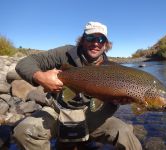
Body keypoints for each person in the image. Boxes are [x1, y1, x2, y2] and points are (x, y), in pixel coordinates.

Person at [13, 21, 142, 150]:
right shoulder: (65, 53)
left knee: (125, 134)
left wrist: (119, 100)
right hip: (58, 112)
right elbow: (24, 63)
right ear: (83, 39)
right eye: (91, 38)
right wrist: (40, 77)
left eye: (101, 39)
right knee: (24, 131)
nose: (96, 43)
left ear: (106, 44)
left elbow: (107, 104)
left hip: (92, 117)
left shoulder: (111, 68)